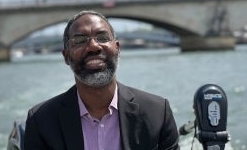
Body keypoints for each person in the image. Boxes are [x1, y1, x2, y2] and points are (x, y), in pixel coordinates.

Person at [24, 10, 180, 150]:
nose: (93, 46)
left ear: (117, 48)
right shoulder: (41, 121)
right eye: (79, 41)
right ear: (66, 56)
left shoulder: (157, 113)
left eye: (102, 38)